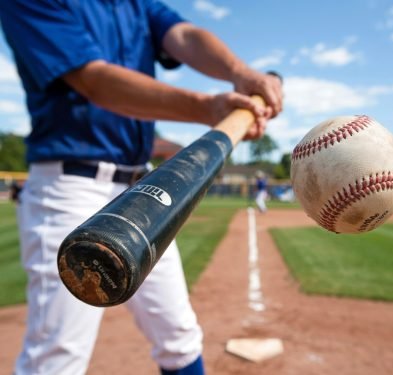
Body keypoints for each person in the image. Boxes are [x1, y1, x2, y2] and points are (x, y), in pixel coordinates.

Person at [0, 1, 283, 374]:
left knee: (179, 338)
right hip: (71, 186)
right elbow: (95, 80)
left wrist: (241, 73)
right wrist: (208, 107)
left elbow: (183, 35)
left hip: (142, 192)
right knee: (56, 357)